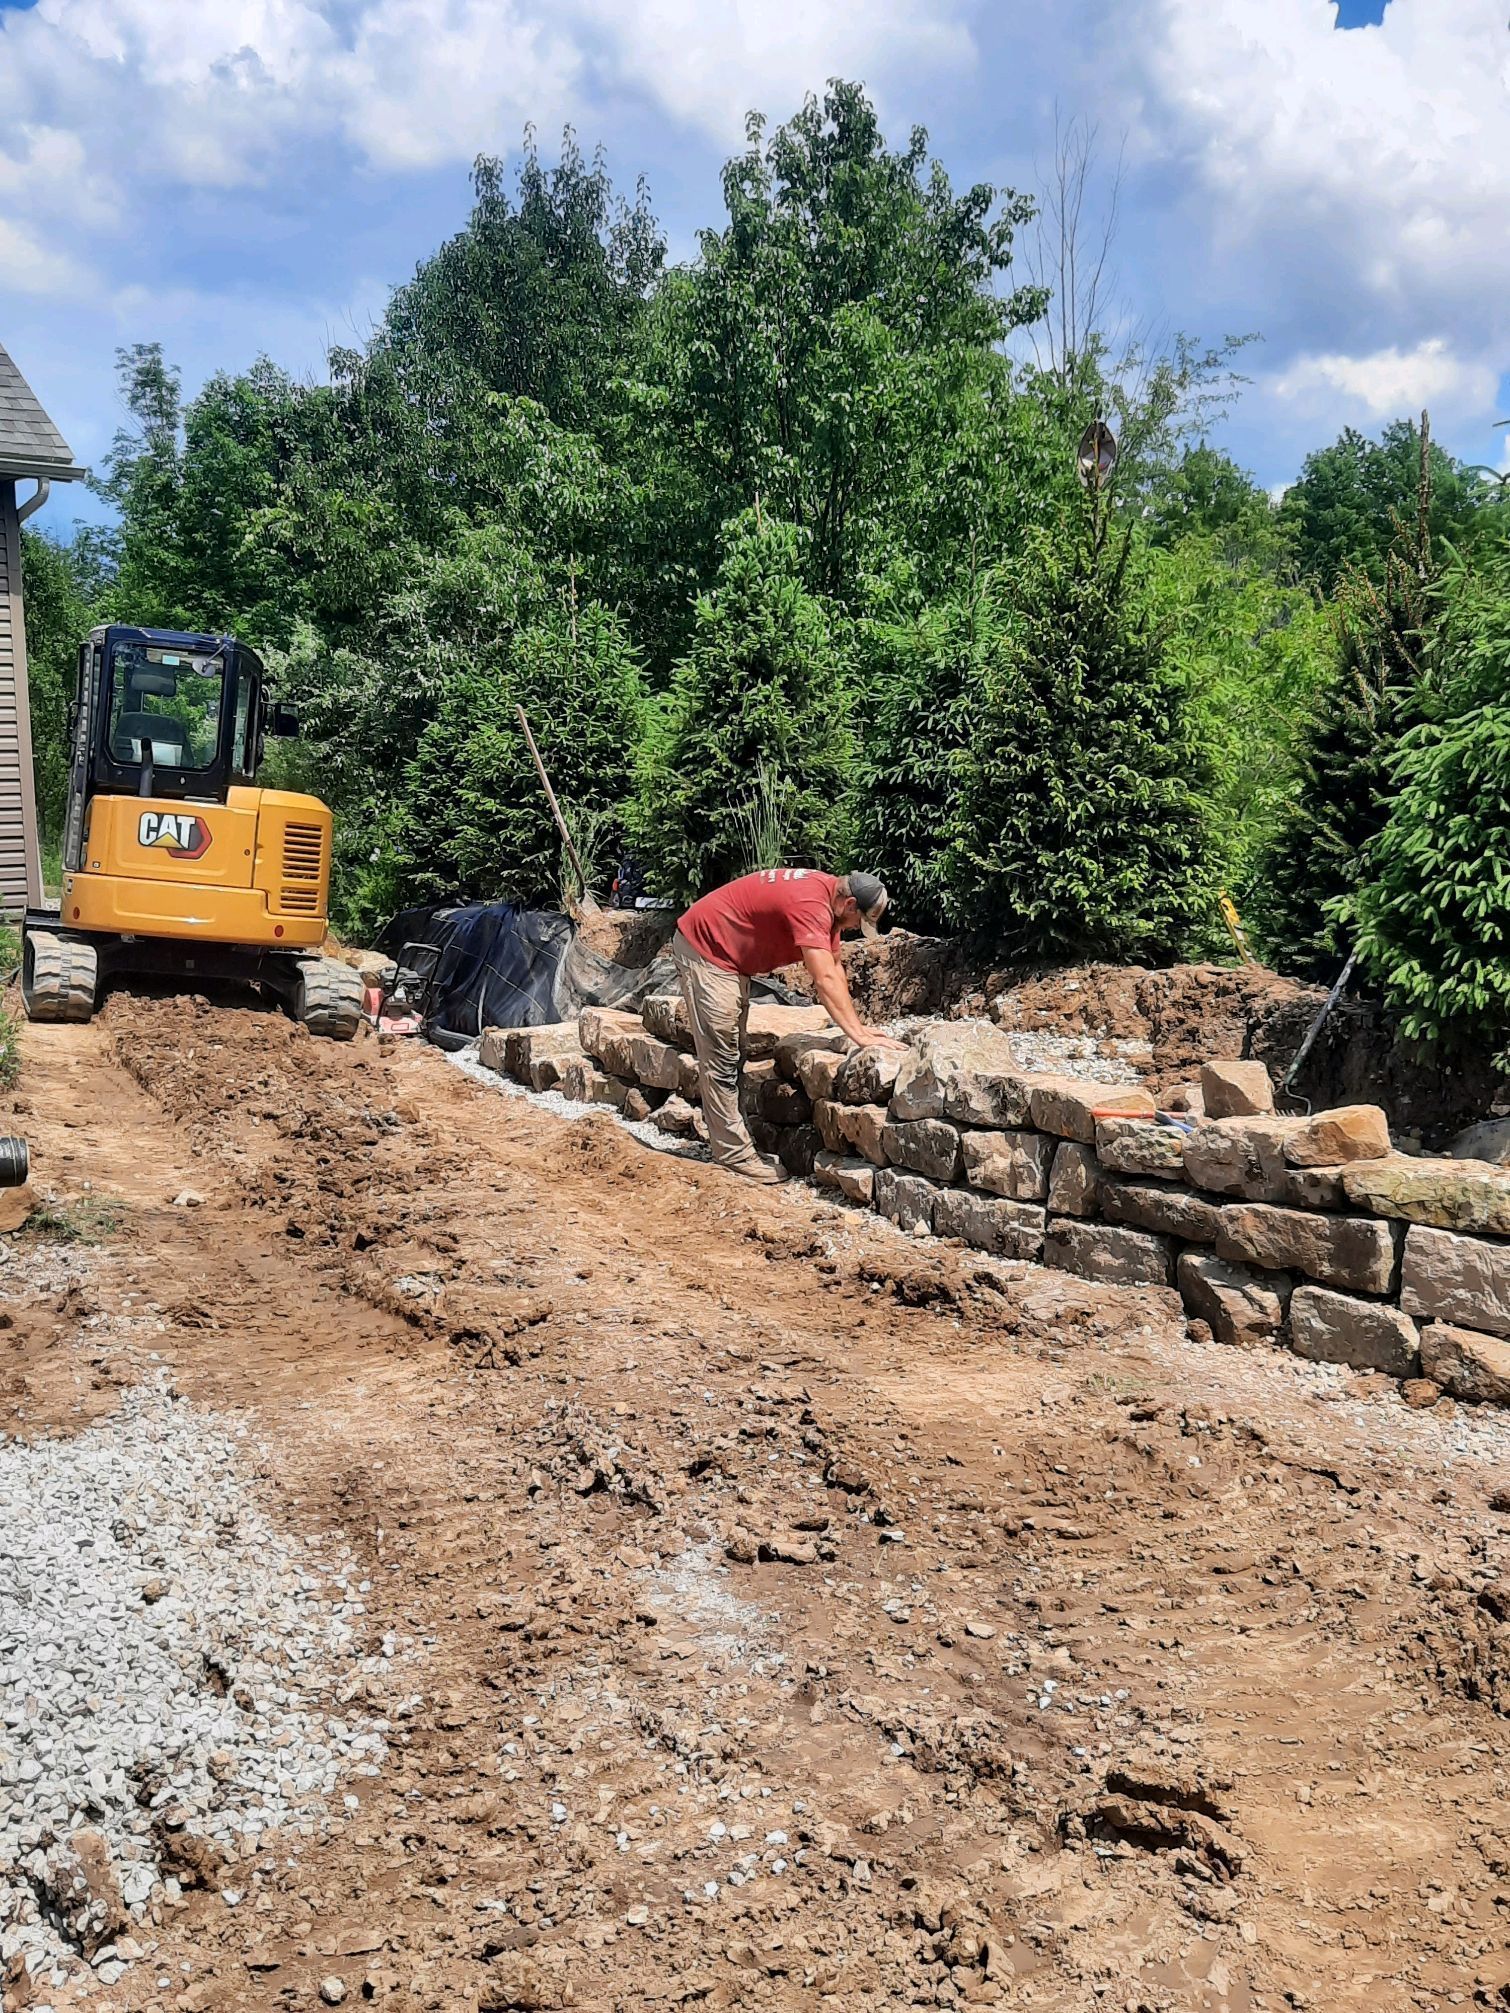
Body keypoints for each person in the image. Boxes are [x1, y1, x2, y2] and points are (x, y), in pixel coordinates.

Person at [672, 868, 907, 1183]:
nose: (855, 929)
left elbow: (835, 969)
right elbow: (822, 980)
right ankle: (733, 1155)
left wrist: (860, 1029)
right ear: (850, 904)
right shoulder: (810, 906)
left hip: (729, 955)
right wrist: (859, 1036)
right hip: (707, 950)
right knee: (722, 1057)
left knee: (734, 1051)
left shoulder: (829, 898)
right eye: (858, 921)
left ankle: (733, 1139)